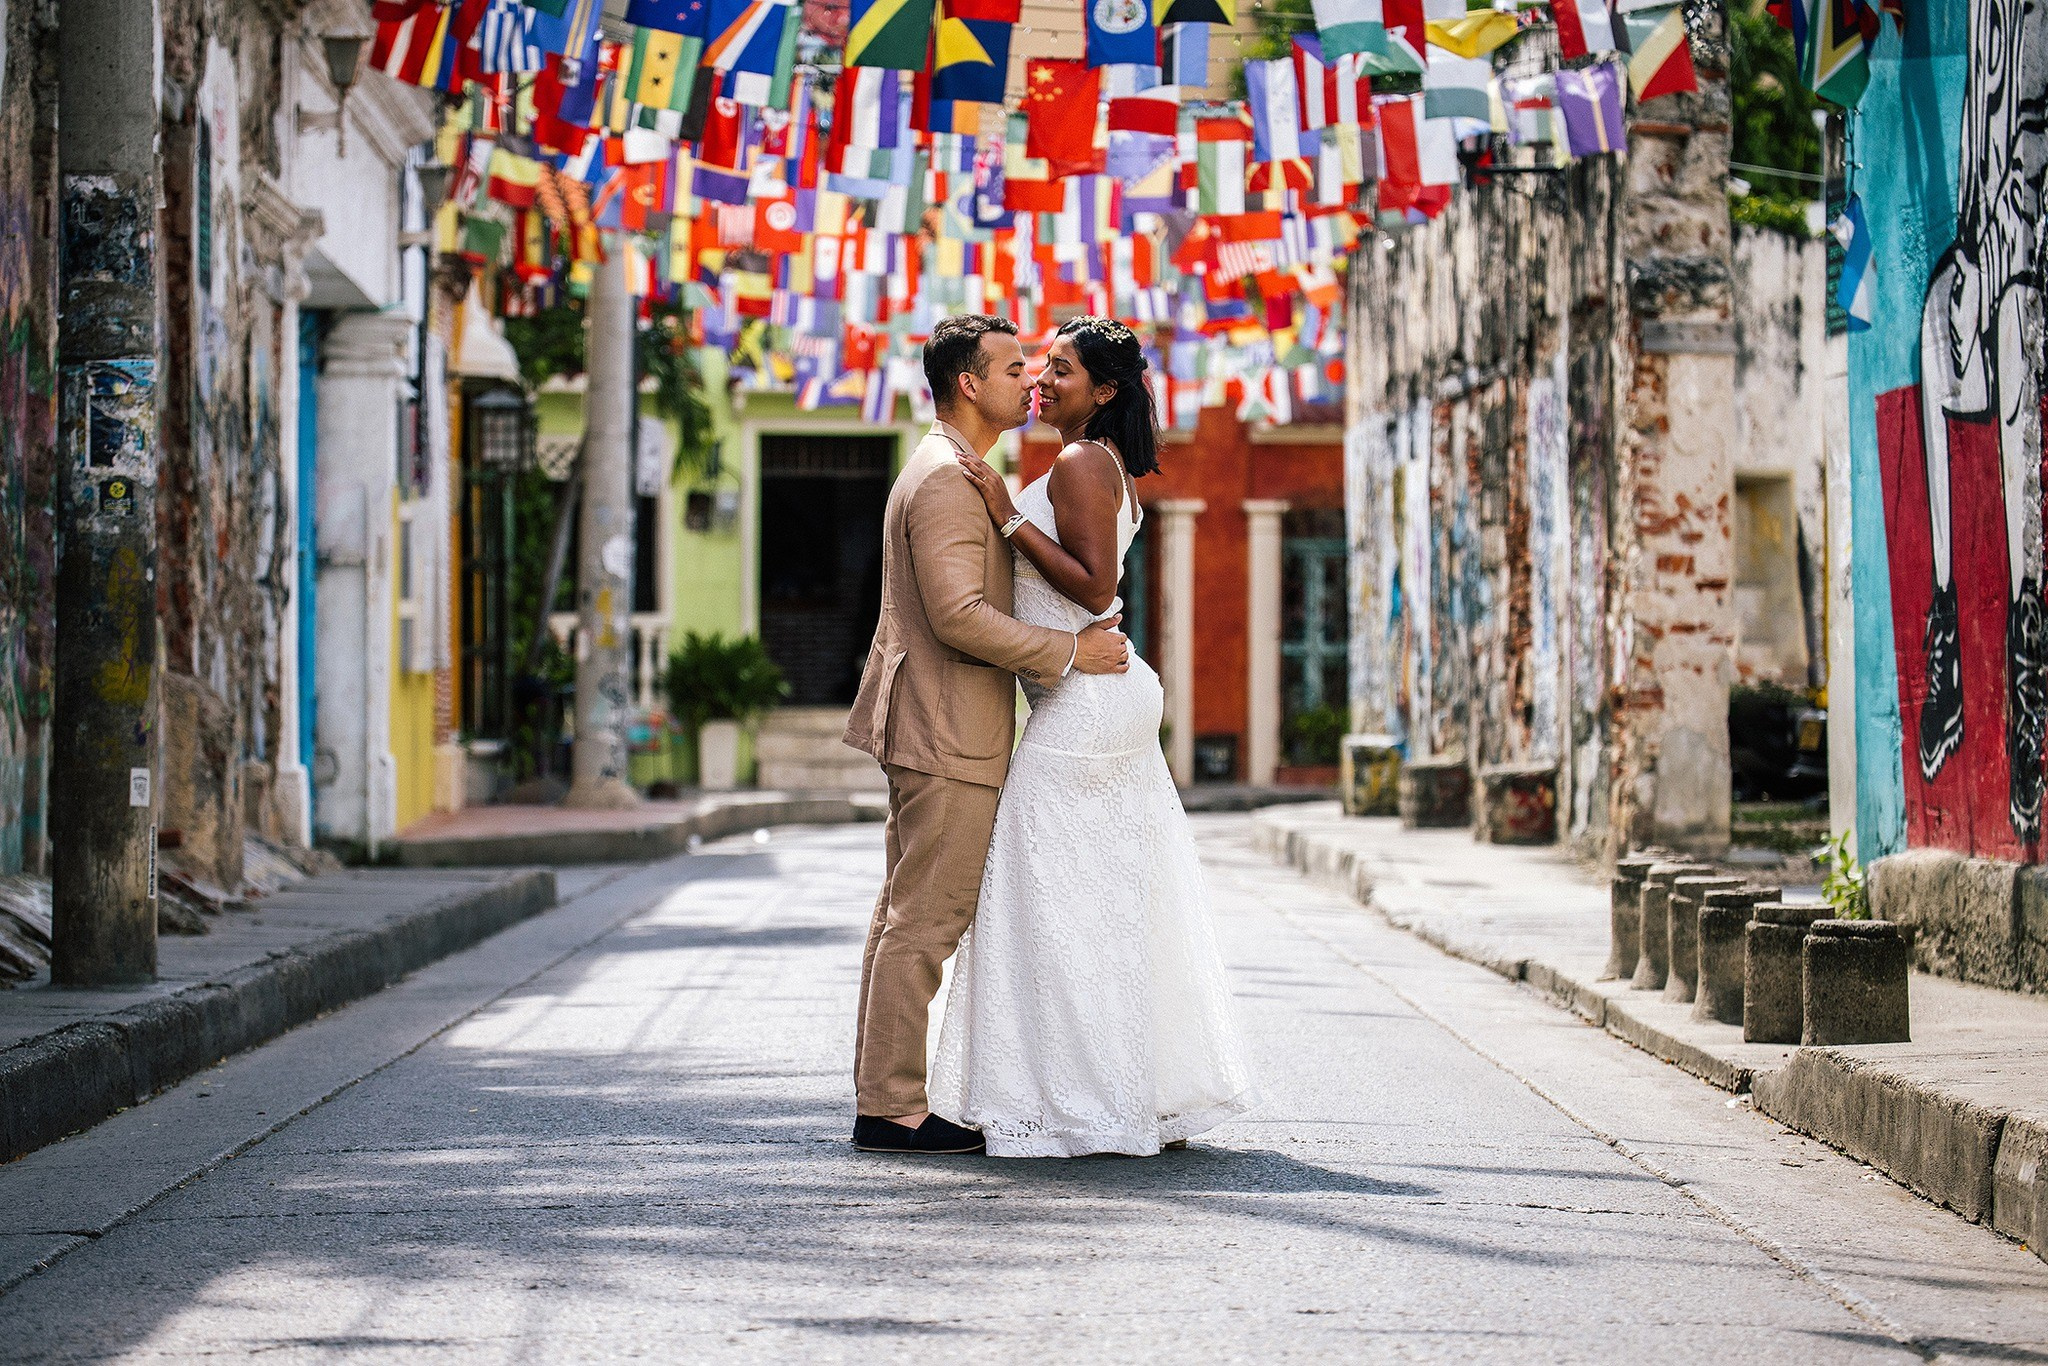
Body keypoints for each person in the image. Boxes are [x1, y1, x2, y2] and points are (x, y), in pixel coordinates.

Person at [931, 316, 1257, 1157]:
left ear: (1104, 391)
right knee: (1098, 904)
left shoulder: (1080, 461)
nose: (1043, 381)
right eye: (1041, 366)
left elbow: (1094, 585)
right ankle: (1114, 1091)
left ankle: (1080, 1098)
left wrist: (1007, 515)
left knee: (1038, 894)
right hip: (1096, 692)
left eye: (1062, 370)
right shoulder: (1097, 461)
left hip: (1087, 700)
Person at [842, 314, 1132, 1155]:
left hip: (941, 721)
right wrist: (1070, 652)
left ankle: (884, 1097)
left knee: (905, 914)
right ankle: (892, 1109)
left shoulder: (963, 469)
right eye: (1012, 369)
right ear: (968, 384)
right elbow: (959, 616)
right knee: (926, 920)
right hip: (945, 727)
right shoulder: (945, 478)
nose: (1030, 380)